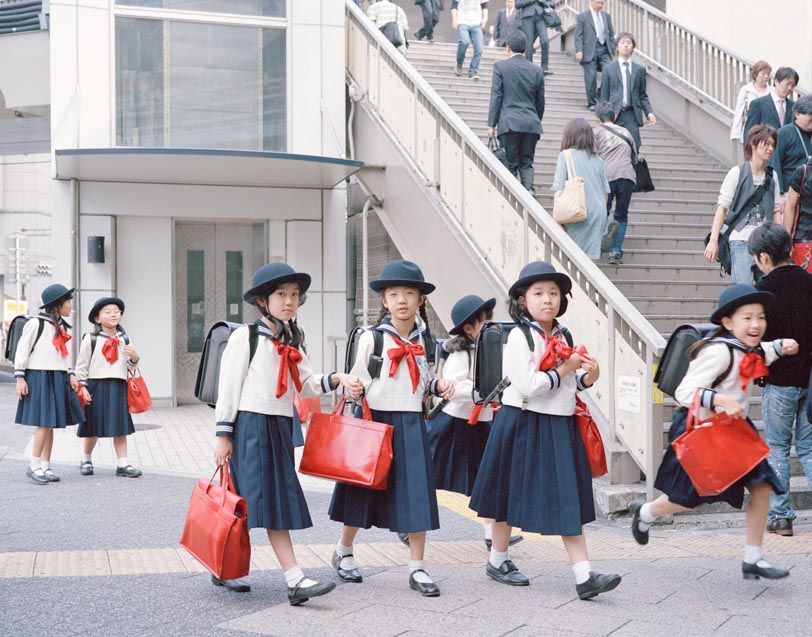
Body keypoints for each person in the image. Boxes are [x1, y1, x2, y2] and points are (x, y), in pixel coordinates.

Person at [469, 261, 620, 599]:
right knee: (506, 494)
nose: (547, 300)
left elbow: (571, 384)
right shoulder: (518, 336)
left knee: (566, 499)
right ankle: (498, 559)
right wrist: (566, 369)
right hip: (520, 419)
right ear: (523, 300)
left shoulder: (564, 334)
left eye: (553, 293)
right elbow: (528, 385)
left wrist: (588, 376)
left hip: (557, 422)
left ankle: (584, 576)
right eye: (538, 293)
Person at [213, 263, 362, 603]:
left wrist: (337, 378)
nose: (289, 301)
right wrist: (223, 435)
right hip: (250, 426)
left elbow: (307, 383)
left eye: (294, 295)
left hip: (279, 427)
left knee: (263, 502)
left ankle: (225, 567)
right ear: (264, 301)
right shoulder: (245, 337)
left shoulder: (292, 339)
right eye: (281, 294)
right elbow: (228, 388)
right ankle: (293, 579)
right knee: (252, 502)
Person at [629, 283, 798, 581]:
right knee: (687, 499)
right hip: (702, 430)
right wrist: (720, 399)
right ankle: (644, 513)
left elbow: (767, 351)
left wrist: (783, 345)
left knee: (762, 486)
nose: (756, 324)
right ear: (728, 322)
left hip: (734, 430)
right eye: (747, 318)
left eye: (760, 317)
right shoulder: (719, 352)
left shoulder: (752, 348)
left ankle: (753, 558)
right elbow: (683, 392)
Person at [329, 260, 454, 597]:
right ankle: (344, 551)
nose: (402, 300)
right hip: (375, 422)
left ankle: (417, 567)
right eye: (394, 294)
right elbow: (356, 379)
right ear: (383, 300)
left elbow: (424, 380)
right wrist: (354, 387)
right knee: (361, 491)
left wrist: (438, 384)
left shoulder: (426, 340)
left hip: (412, 424)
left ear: (421, 300)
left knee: (418, 495)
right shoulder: (372, 339)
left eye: (409, 293)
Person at [426, 294, 524, 549]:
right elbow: (451, 387)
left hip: (482, 422)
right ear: (468, 329)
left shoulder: (495, 349)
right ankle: (409, 523)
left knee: (488, 477)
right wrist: (477, 391)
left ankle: (492, 532)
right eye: (483, 322)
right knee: (428, 475)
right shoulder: (460, 355)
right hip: (452, 422)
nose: (490, 327)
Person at [749, 223, 812, 537]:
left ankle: (782, 517)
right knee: (809, 447)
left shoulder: (763, 291)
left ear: (763, 257)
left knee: (776, 447)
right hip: (810, 378)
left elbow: (755, 340)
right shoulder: (809, 281)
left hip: (781, 380)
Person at [15, 284, 85, 485]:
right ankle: (34, 465)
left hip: (57, 377)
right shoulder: (35, 324)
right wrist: (20, 377)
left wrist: (70, 373)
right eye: (68, 302)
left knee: (51, 423)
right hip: (39, 376)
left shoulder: (58, 325)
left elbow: (62, 354)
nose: (71, 306)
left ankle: (45, 466)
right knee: (44, 423)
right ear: (58, 304)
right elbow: (22, 350)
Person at [74, 297, 142, 478]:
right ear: (97, 318)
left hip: (119, 386)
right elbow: (81, 366)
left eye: (116, 311)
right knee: (92, 425)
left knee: (120, 425)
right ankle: (86, 459)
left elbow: (131, 366)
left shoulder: (124, 338)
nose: (113, 314)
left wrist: (134, 356)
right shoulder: (90, 339)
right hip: (95, 385)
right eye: (108, 311)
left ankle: (122, 463)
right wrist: (82, 387)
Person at [704, 124, 780, 284]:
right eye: (766, 144)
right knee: (743, 290)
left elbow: (776, 212)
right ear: (753, 144)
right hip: (740, 241)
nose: (770, 148)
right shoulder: (736, 173)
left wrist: (781, 242)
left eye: (773, 145)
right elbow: (722, 208)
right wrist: (713, 240)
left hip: (766, 244)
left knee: (767, 290)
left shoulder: (772, 177)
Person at [487, 30, 545, 194]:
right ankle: (529, 190)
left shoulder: (501, 67)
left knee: (510, 165)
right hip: (531, 123)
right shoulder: (537, 70)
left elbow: (497, 95)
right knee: (526, 163)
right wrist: (535, 119)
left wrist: (491, 123)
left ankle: (513, 199)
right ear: (525, 49)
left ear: (508, 48)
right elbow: (540, 102)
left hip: (509, 123)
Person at [552, 118, 610, 259]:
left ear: (569, 135)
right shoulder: (599, 160)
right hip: (598, 214)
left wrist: (557, 220)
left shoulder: (565, 156)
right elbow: (605, 193)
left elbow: (559, 189)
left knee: (571, 260)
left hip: (576, 213)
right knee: (589, 262)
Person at [593, 101, 636, 265]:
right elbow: (634, 155)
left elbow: (592, 156)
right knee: (621, 215)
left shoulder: (596, 132)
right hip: (627, 176)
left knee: (602, 211)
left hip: (606, 177)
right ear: (615, 116)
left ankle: (597, 245)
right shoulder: (626, 131)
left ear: (597, 119)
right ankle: (615, 251)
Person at [599, 32, 654, 149]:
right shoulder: (608, 69)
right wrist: (600, 115)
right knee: (613, 147)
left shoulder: (639, 70)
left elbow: (642, 95)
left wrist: (649, 112)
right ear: (617, 47)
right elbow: (604, 95)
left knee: (634, 146)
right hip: (613, 114)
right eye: (622, 43)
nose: (625, 45)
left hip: (632, 115)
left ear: (633, 47)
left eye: (628, 43)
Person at [574, 0, 614, 110]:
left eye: (602, 3)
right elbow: (578, 35)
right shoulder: (582, 16)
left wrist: (612, 49)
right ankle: (591, 102)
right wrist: (579, 50)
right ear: (591, 1)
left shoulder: (606, 16)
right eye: (598, 2)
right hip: (588, 51)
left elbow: (611, 33)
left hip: (604, 50)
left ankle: (599, 94)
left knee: (610, 72)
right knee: (591, 78)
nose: (600, 5)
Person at [771, 94, 812, 197]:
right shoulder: (784, 133)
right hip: (788, 191)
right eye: (811, 114)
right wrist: (779, 193)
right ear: (797, 114)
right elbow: (775, 164)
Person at [743, 67, 799, 138]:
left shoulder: (794, 106)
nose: (790, 88)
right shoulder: (758, 104)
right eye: (787, 84)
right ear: (776, 82)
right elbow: (749, 134)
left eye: (793, 86)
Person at [731, 61, 772, 143]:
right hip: (749, 129)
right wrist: (735, 133)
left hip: (767, 131)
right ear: (755, 74)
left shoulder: (771, 91)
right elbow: (739, 111)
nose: (766, 76)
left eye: (768, 74)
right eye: (763, 73)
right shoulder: (746, 90)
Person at [783, 156, 812, 270]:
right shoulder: (804, 171)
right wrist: (786, 243)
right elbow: (790, 207)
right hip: (803, 243)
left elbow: (790, 207)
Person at [452, 1, 488, 80]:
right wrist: (454, 19)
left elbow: (484, 5)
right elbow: (454, 6)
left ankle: (473, 71)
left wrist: (485, 18)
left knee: (479, 48)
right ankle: (459, 63)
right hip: (463, 22)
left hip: (476, 24)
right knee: (464, 42)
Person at [516, 0, 552, 75]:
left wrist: (543, 2)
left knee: (545, 40)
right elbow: (517, 4)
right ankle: (529, 66)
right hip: (526, 17)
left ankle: (544, 67)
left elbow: (552, 3)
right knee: (529, 41)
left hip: (540, 16)